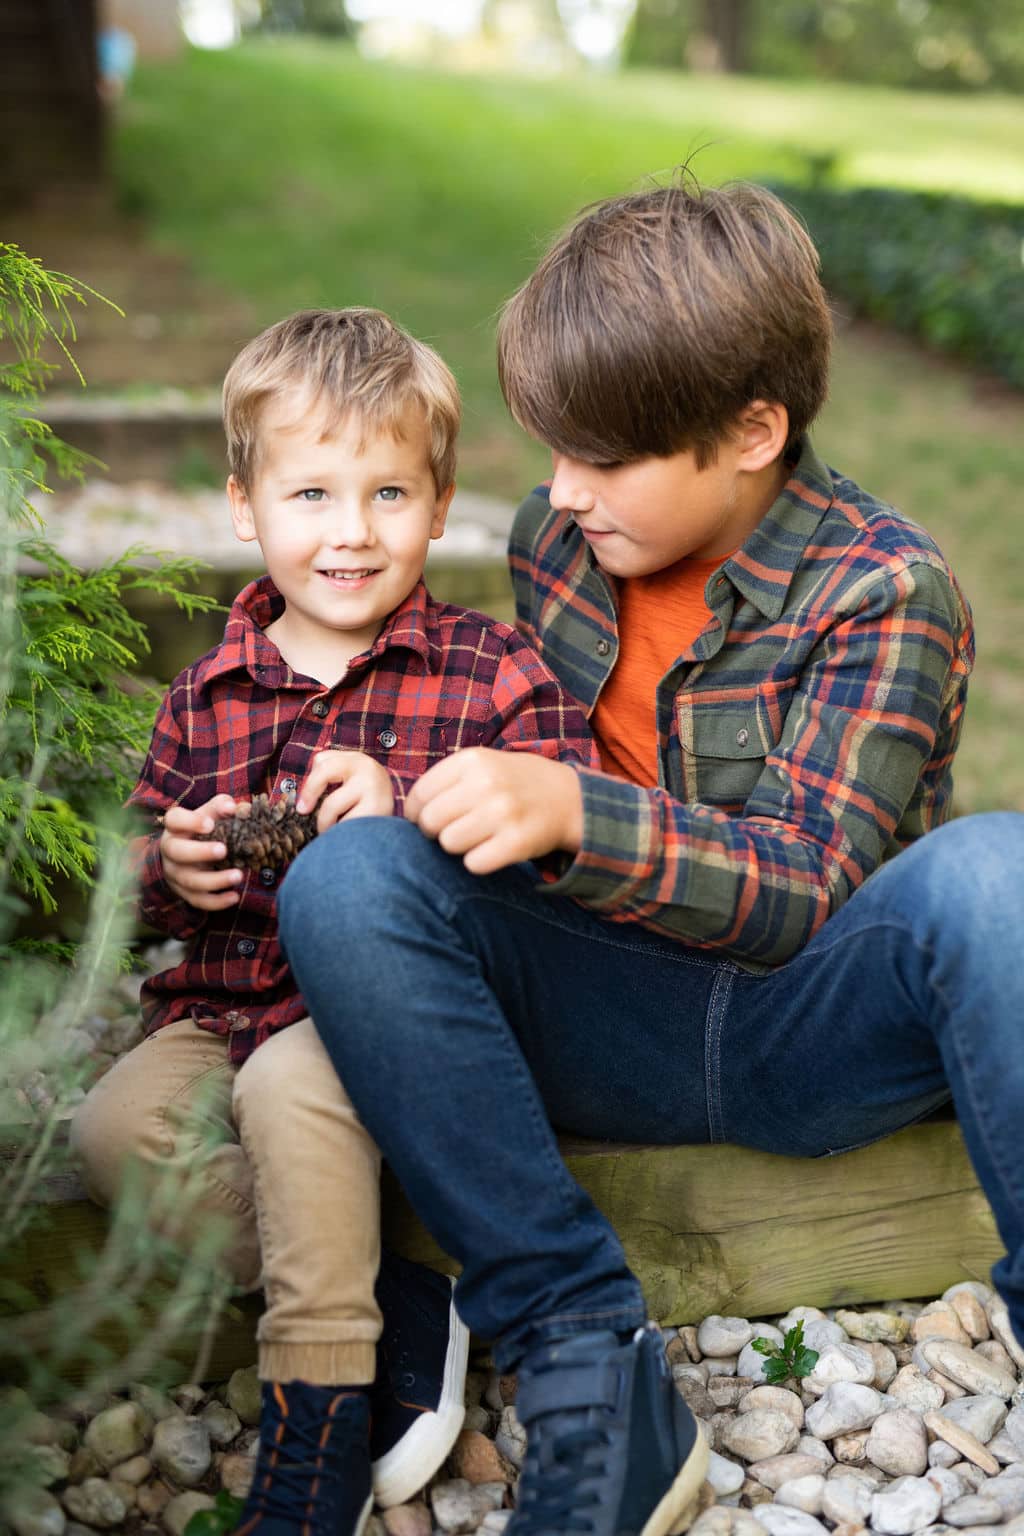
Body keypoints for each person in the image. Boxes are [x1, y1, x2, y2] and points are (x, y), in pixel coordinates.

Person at [274, 177, 1024, 1536]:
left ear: (752, 431)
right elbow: (497, 734)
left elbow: (807, 888)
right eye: (554, 450)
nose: (561, 491)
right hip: (606, 1007)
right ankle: (587, 1362)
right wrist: (403, 788)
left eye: (605, 458)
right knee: (346, 880)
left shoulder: (884, 589)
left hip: (811, 1031)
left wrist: (573, 811)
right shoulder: (559, 545)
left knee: (999, 876)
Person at [70, 307, 598, 1534]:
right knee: (114, 1131)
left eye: (388, 495)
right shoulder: (203, 694)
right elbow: (137, 873)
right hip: (220, 1000)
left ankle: (313, 1429)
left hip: (379, 1020)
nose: (351, 532)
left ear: (440, 501)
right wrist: (175, 868)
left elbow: (568, 846)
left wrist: (406, 814)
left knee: (287, 1094)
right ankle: (406, 1307)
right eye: (311, 494)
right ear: (247, 507)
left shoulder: (493, 670)